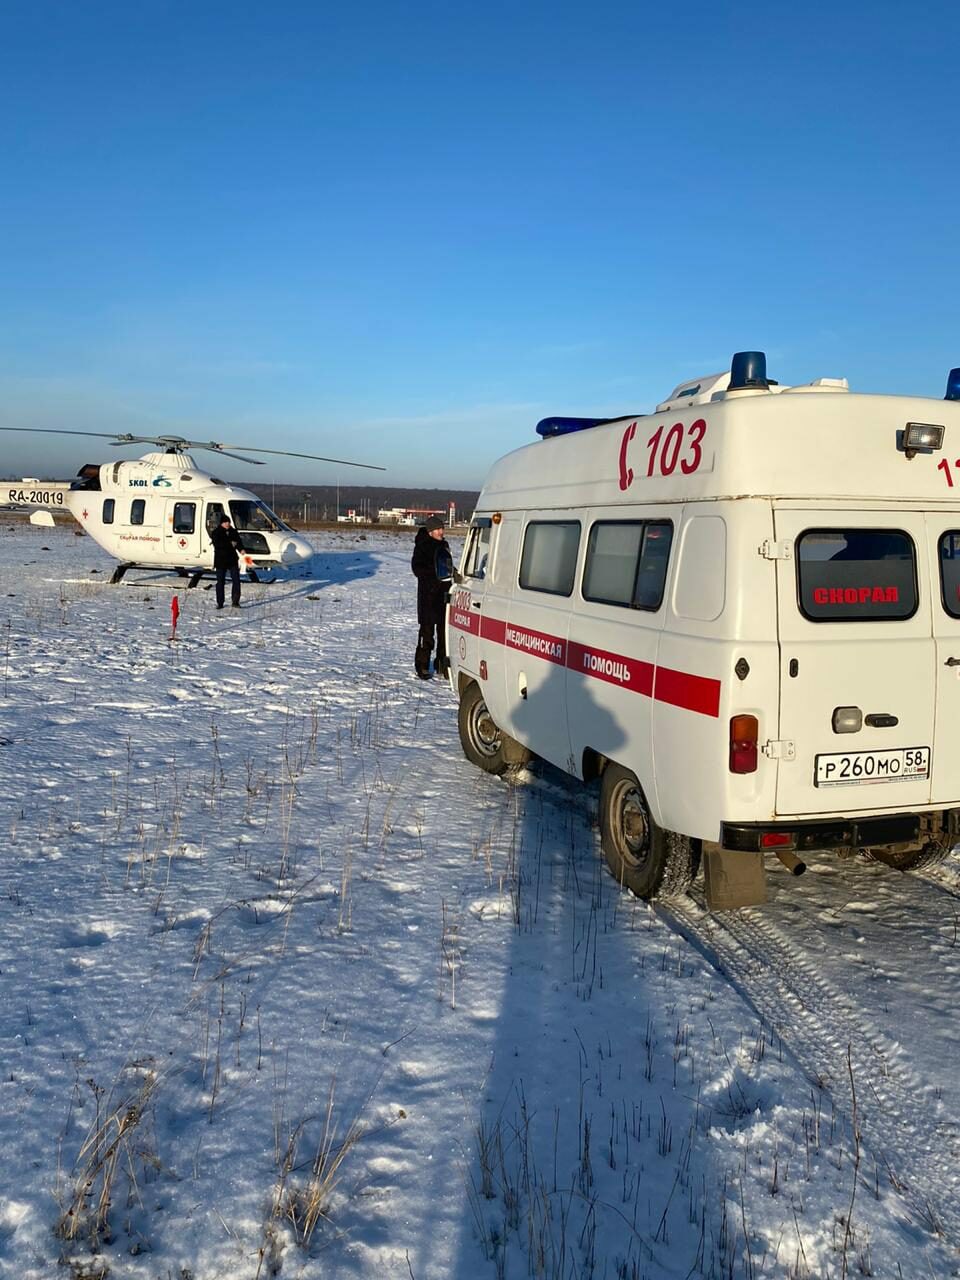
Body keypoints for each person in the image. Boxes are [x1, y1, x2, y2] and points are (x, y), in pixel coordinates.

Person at [411, 515, 453, 678]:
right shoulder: (422, 546)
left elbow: (448, 567)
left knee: (444, 634)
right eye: (438, 529)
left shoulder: (444, 545)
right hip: (428, 596)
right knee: (427, 634)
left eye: (442, 528)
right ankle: (422, 665)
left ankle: (442, 664)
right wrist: (434, 573)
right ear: (430, 532)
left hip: (443, 595)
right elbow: (417, 569)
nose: (441, 532)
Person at [211, 514, 243, 609]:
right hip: (221, 560)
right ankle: (220, 602)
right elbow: (218, 544)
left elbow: (238, 542)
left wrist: (241, 549)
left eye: (228, 522)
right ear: (221, 523)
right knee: (220, 582)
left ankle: (235, 601)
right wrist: (230, 544)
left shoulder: (233, 531)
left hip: (232, 559)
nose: (227, 524)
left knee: (236, 580)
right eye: (225, 522)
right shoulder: (216, 532)